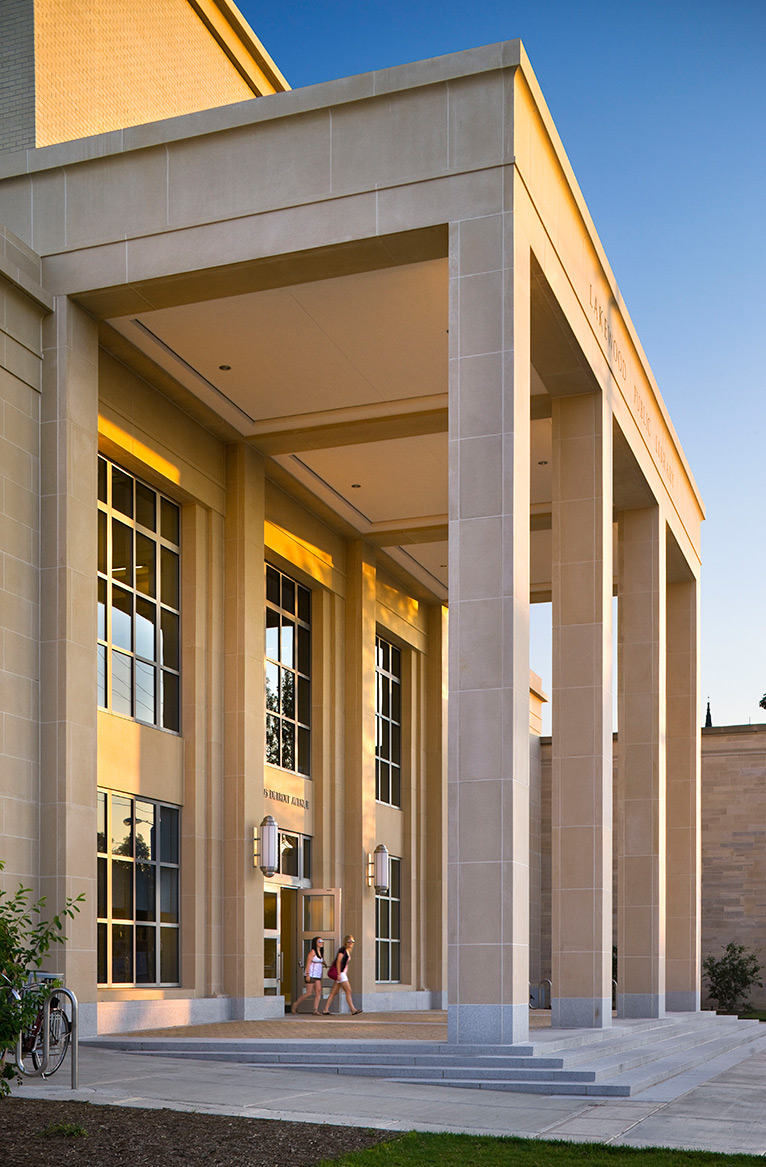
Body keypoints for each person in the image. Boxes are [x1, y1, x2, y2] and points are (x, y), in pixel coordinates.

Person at [322, 935, 362, 1015]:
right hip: (341, 974)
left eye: (352, 941)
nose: (351, 943)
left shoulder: (347, 951)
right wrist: (339, 974)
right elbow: (338, 961)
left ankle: (325, 1009)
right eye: (349, 941)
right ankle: (353, 1009)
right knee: (348, 990)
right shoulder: (342, 950)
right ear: (345, 942)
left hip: (342, 973)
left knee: (334, 992)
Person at [291, 937, 326, 1015]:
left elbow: (321, 960)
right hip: (311, 974)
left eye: (322, 941)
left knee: (318, 991)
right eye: (319, 941)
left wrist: (325, 964)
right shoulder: (312, 952)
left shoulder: (321, 952)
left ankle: (315, 1009)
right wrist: (307, 975)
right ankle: (295, 1004)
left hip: (317, 975)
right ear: (315, 943)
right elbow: (308, 963)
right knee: (309, 993)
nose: (321, 942)